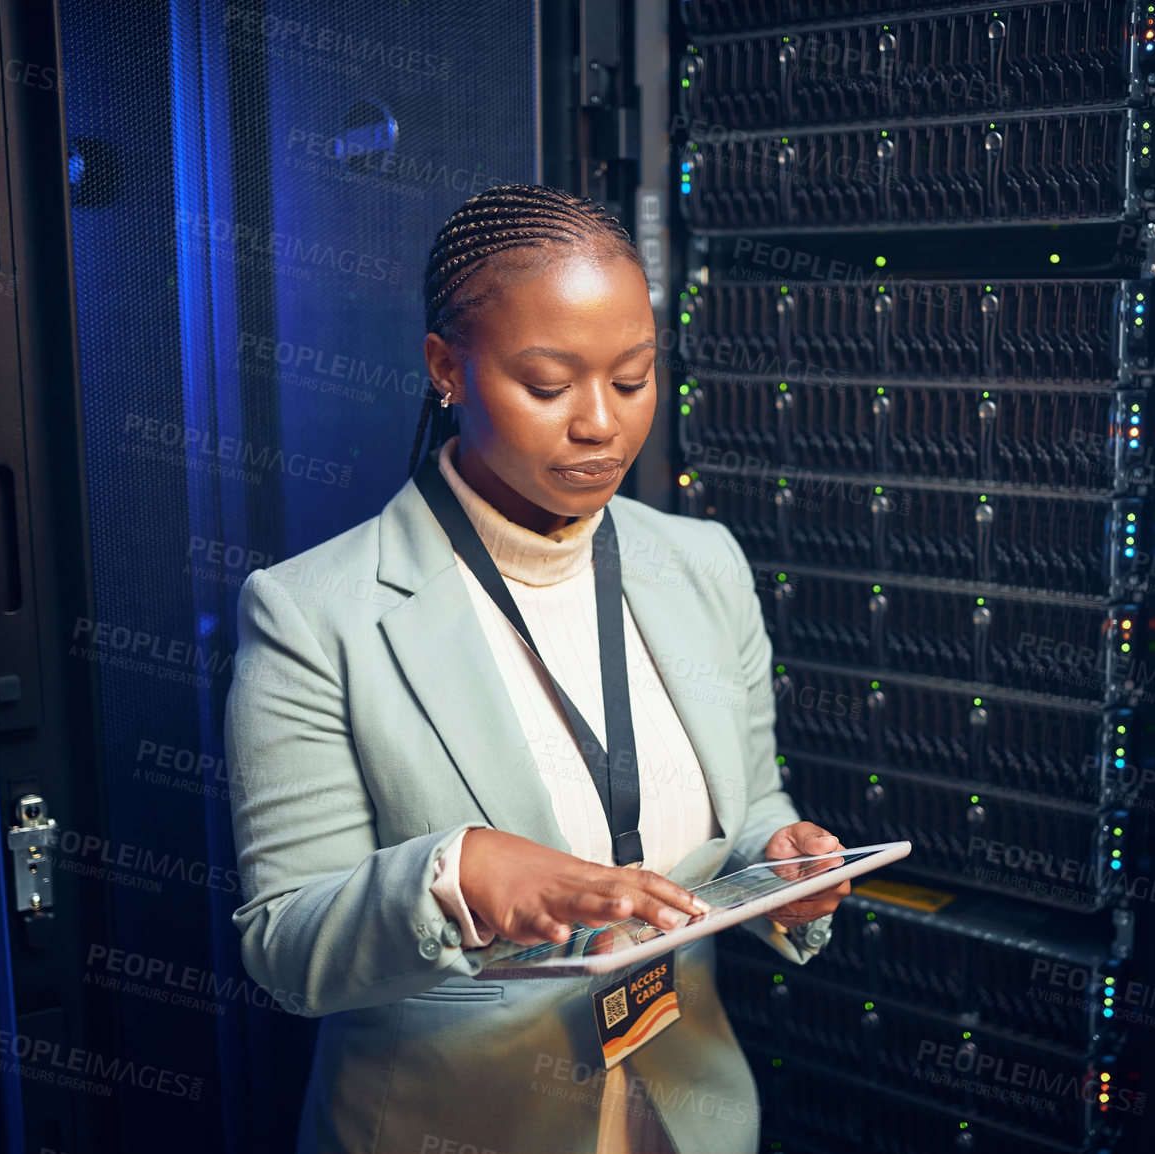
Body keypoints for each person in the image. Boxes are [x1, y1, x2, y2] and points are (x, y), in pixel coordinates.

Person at [224, 184, 849, 1154]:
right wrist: (453, 875)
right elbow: (283, 946)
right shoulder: (313, 611)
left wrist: (782, 861)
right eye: (550, 385)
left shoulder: (703, 561)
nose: (599, 423)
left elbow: (749, 805)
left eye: (633, 379)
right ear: (446, 368)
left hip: (688, 1110)